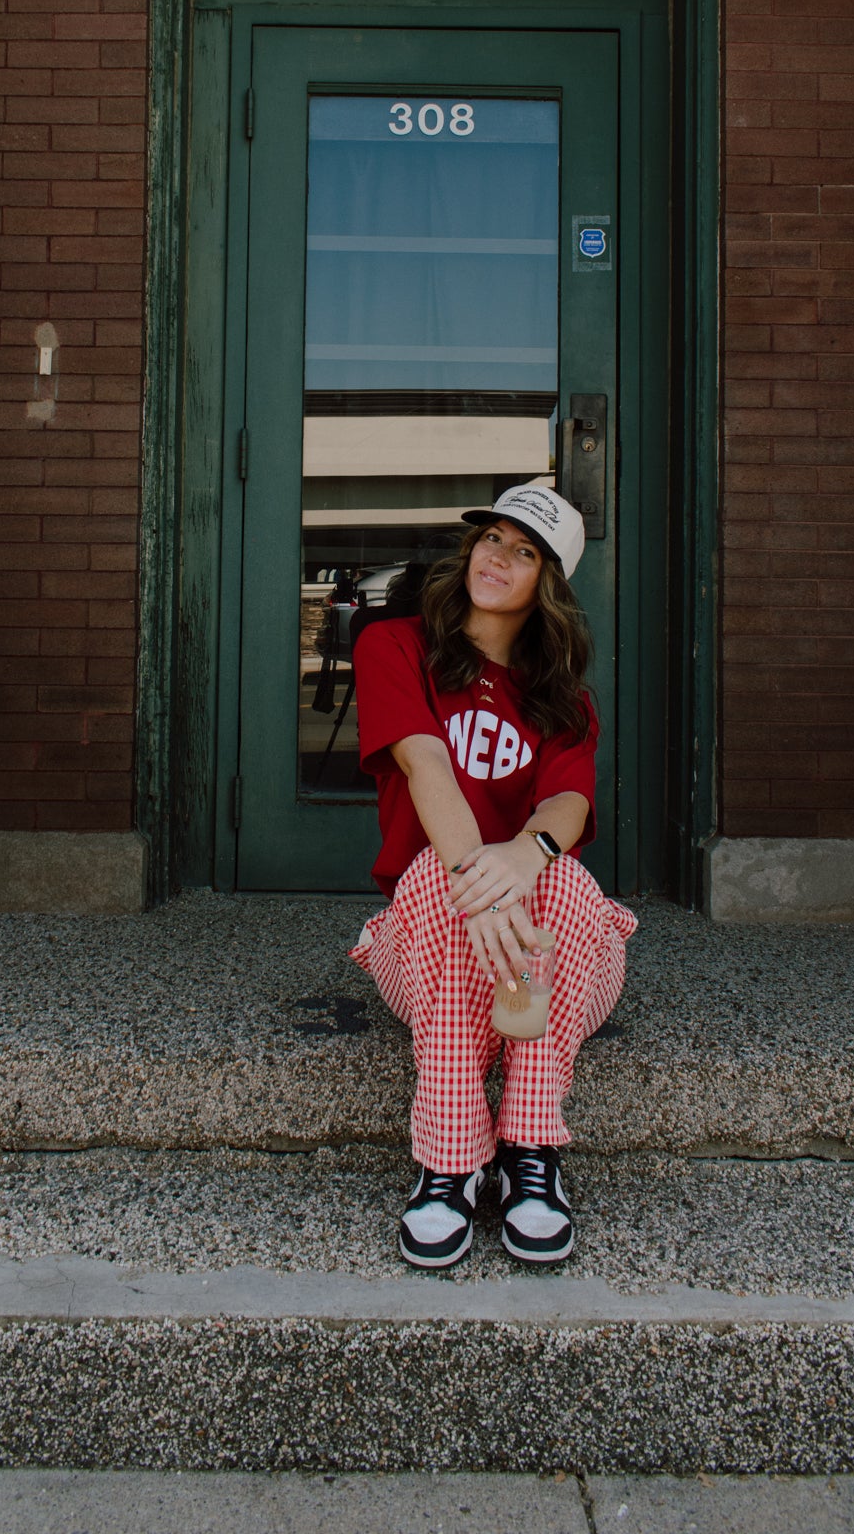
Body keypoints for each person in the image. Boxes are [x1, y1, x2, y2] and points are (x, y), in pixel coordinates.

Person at [349, 483, 637, 1270]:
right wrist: (478, 886)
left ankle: (526, 1152)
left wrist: (525, 854)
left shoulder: (565, 701)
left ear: (549, 583)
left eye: (523, 550)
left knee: (569, 885)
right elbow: (424, 760)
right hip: (428, 951)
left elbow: (570, 803)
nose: (497, 557)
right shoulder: (393, 646)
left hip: (554, 964)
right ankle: (450, 1160)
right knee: (439, 887)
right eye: (491, 539)